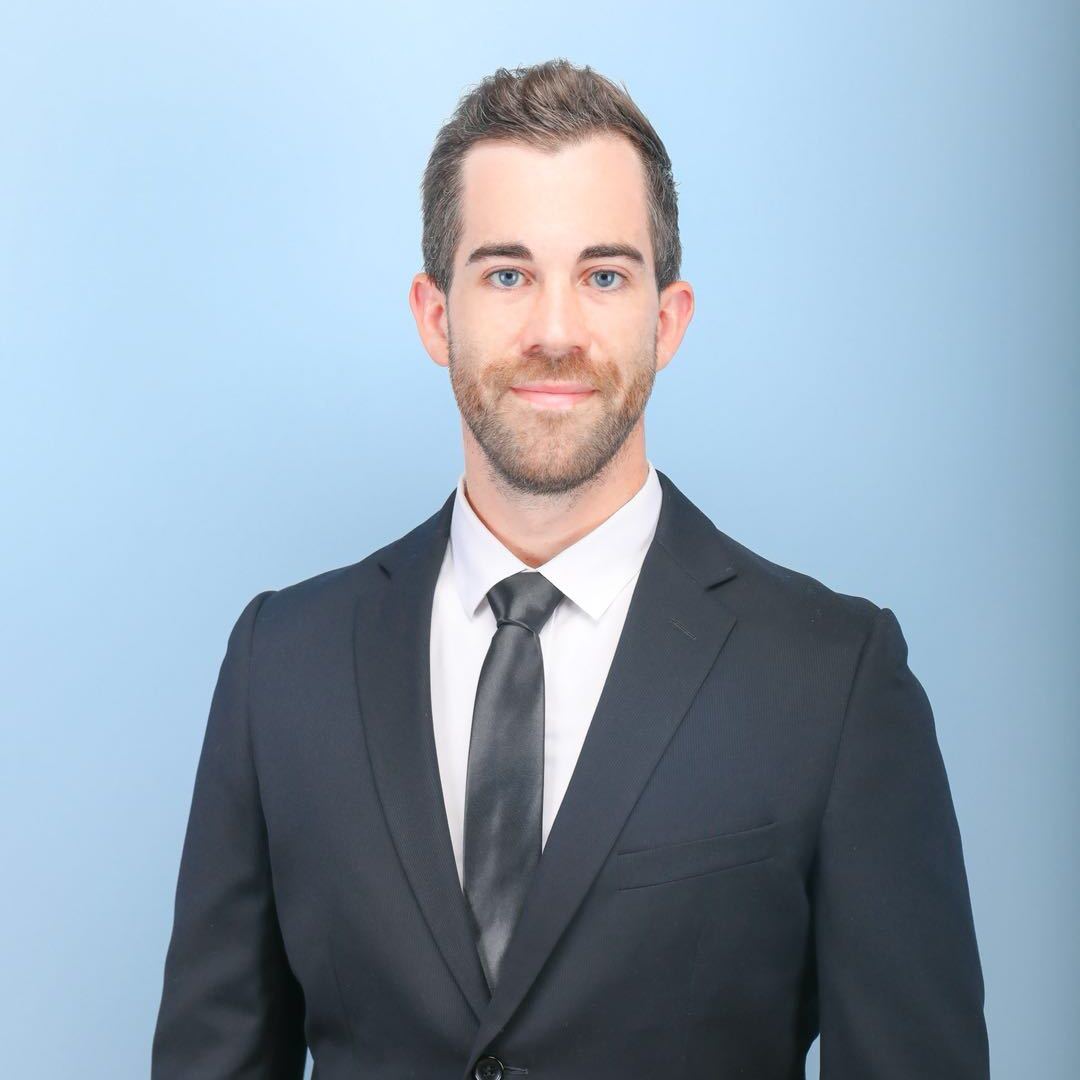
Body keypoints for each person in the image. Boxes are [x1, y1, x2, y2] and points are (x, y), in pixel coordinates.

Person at [151, 58, 990, 1080]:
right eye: (507, 274)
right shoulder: (280, 666)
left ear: (667, 320)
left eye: (604, 276)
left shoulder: (834, 680)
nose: (555, 333)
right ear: (435, 315)